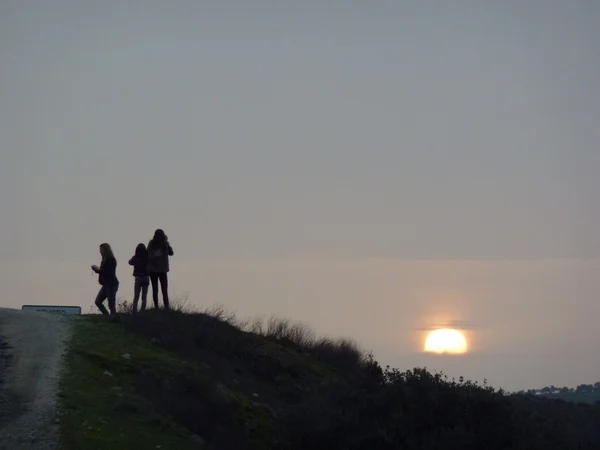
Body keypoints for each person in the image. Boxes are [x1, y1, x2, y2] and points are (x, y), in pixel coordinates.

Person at [147, 229, 174, 310]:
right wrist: (167, 243)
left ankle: (156, 307)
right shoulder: (165, 243)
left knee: (155, 289)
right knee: (164, 289)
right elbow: (171, 253)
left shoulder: (152, 243)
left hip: (153, 270)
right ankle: (166, 306)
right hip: (163, 270)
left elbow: (147, 254)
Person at [91, 243, 119, 315]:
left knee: (111, 302)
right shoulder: (104, 260)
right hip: (106, 284)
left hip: (111, 284)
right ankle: (107, 316)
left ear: (106, 250)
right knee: (98, 301)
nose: (100, 251)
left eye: (101, 250)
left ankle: (113, 318)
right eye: (100, 250)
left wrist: (97, 270)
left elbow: (108, 272)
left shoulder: (111, 259)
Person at [128, 243, 150, 313]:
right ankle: (142, 311)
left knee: (136, 296)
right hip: (146, 277)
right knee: (144, 296)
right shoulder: (147, 257)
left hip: (138, 278)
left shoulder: (135, 258)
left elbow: (130, 262)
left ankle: (134, 312)